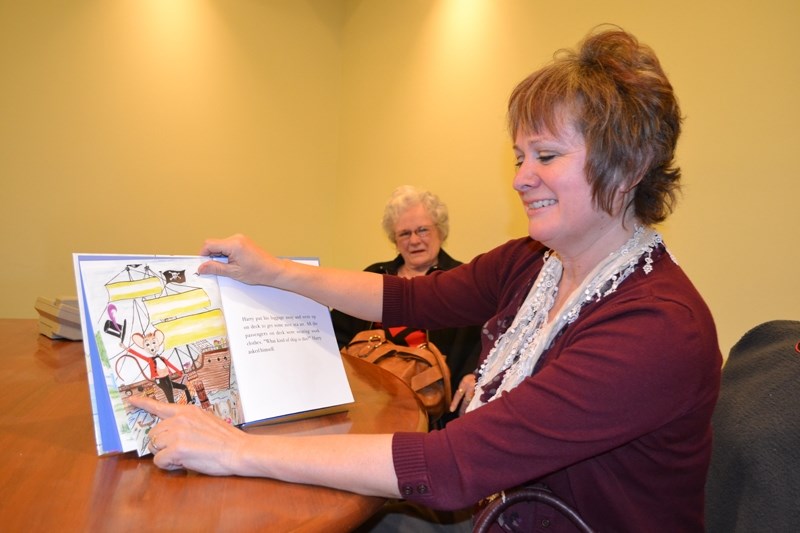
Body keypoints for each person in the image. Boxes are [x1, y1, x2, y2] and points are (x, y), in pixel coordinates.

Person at [130, 26, 721, 532]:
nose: (520, 179)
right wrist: (275, 272)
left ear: (631, 165)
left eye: (545, 155)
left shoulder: (656, 327)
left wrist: (237, 449)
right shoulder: (530, 262)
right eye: (519, 157)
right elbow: (406, 297)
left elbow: (448, 468)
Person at [331, 185, 481, 423]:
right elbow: (334, 332)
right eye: (404, 233)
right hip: (369, 398)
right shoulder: (375, 277)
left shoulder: (460, 279)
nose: (414, 240)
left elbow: (486, 339)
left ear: (440, 232)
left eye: (422, 230)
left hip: (434, 405)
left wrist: (477, 373)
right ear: (394, 239)